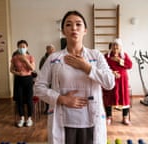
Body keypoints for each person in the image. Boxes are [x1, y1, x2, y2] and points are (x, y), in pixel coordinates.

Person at [34, 10, 115, 144]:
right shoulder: (54, 58)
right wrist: (61, 99)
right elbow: (38, 87)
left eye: (78, 24)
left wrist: (87, 67)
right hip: (64, 122)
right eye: (68, 25)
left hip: (90, 122)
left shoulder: (96, 56)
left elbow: (110, 82)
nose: (74, 28)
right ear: (63, 31)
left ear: (85, 30)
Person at [103, 38, 132, 125]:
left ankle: (125, 118)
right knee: (108, 97)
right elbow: (102, 68)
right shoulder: (106, 56)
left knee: (124, 98)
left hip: (122, 81)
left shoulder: (124, 56)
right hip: (110, 80)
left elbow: (130, 65)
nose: (115, 47)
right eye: (113, 45)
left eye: (117, 45)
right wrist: (111, 72)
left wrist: (120, 61)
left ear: (120, 47)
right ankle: (109, 117)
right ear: (111, 46)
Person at [10, 40, 36, 127]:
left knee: (29, 99)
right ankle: (21, 118)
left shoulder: (30, 57)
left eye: (23, 47)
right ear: (18, 48)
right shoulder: (15, 58)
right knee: (19, 100)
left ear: (27, 47)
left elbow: (32, 68)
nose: (22, 48)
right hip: (18, 80)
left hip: (28, 79)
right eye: (20, 47)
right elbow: (11, 70)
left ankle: (29, 118)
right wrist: (18, 73)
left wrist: (25, 61)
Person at [39, 44, 56, 114]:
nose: (52, 50)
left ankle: (55, 108)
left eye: (52, 49)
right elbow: (40, 67)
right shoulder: (43, 58)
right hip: (47, 79)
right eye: (50, 49)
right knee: (48, 94)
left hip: (55, 78)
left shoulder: (57, 56)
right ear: (47, 50)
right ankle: (47, 108)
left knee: (55, 93)